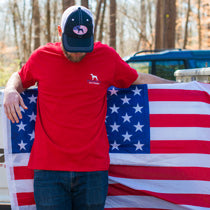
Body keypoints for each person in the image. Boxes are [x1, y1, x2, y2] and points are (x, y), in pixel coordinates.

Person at [3, 5, 174, 210]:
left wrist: (184, 87)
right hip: (48, 170)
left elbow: (138, 78)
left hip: (93, 170)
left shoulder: (107, 57)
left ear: (92, 35)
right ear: (60, 32)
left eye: (82, 47)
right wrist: (11, 89)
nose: (77, 54)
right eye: (71, 46)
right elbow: (19, 78)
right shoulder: (42, 56)